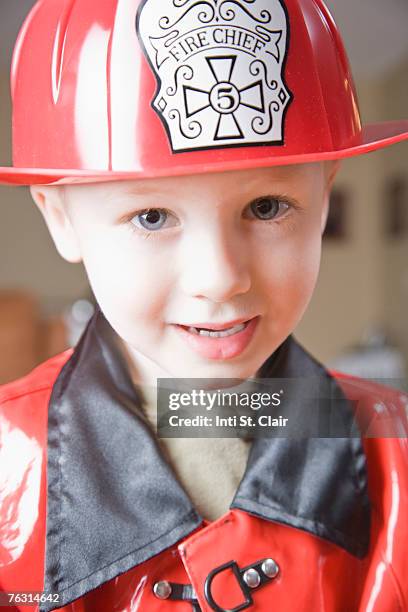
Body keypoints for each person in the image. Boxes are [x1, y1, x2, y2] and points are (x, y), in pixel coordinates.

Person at [0, 1, 407, 611]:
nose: (220, 279)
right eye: (152, 216)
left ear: (324, 200)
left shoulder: (396, 451)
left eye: (267, 207)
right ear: (62, 219)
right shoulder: (9, 462)